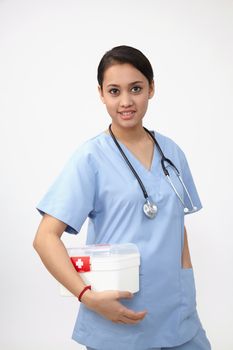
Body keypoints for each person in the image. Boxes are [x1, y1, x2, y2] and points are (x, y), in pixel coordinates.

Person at [33, 45, 211, 350]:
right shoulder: (90, 158)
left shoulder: (172, 153)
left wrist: (187, 287)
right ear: (101, 94)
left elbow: (176, 226)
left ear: (151, 89)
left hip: (178, 315)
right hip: (116, 316)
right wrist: (86, 296)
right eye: (114, 91)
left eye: (136, 88)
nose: (126, 101)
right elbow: (45, 238)